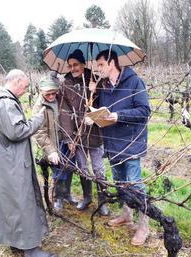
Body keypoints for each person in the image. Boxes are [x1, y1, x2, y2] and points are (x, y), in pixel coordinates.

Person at [0, 69, 56, 257]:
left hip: (5, 161)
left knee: (10, 204)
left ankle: (16, 242)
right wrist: (38, 119)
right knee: (21, 203)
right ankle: (31, 250)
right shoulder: (6, 103)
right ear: (15, 81)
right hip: (12, 165)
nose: (25, 90)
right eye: (24, 86)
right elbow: (17, 132)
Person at [89, 50, 151, 246]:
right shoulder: (104, 87)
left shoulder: (134, 82)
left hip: (131, 142)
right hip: (113, 142)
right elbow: (101, 112)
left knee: (135, 184)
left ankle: (144, 226)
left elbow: (144, 111)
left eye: (100, 65)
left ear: (111, 63)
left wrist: (118, 116)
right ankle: (126, 215)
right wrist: (92, 96)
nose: (98, 69)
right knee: (120, 183)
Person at [59, 49, 109, 216]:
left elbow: (106, 105)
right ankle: (87, 197)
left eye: (76, 65)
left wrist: (96, 90)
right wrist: (69, 138)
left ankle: (103, 201)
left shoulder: (97, 80)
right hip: (77, 135)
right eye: (70, 66)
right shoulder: (65, 84)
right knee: (82, 168)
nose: (73, 68)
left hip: (95, 134)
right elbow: (64, 114)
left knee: (99, 169)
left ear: (83, 64)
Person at [33, 75, 77, 211]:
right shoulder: (39, 107)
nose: (52, 96)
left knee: (69, 167)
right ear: (41, 91)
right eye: (48, 93)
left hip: (66, 140)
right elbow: (39, 132)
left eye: (54, 92)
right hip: (53, 143)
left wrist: (71, 139)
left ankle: (67, 194)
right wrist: (51, 151)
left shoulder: (61, 99)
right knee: (58, 171)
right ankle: (58, 197)